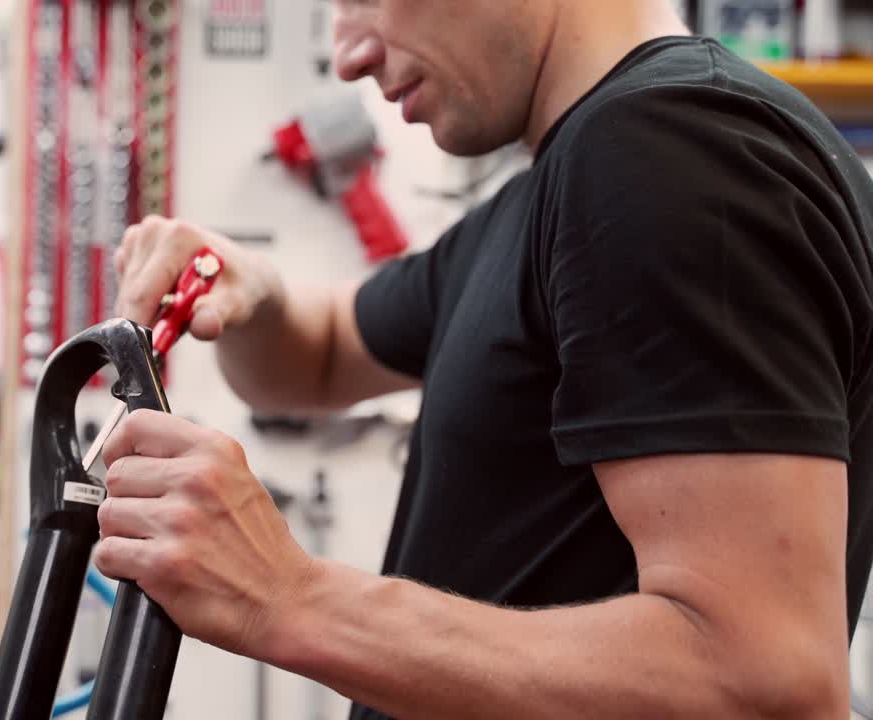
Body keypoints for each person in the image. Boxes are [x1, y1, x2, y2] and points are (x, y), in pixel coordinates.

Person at [93, 1, 873, 717]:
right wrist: (250, 292)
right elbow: (321, 356)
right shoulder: (555, 186)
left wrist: (287, 596)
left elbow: (762, 682)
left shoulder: (669, 153)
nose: (349, 55)